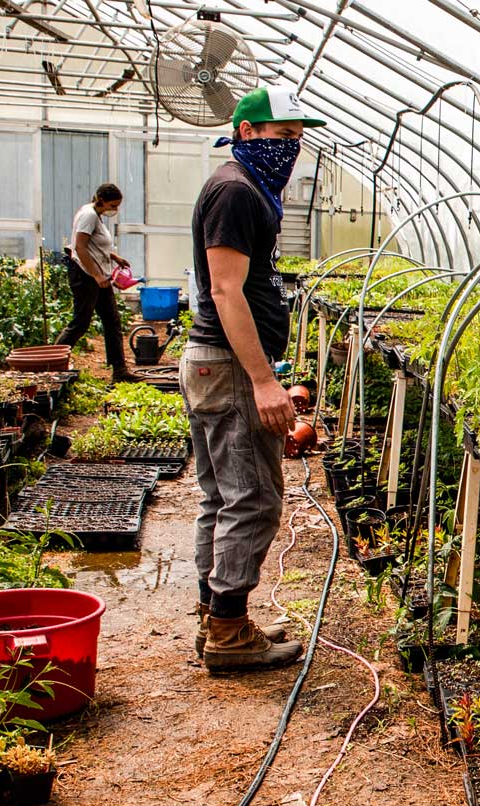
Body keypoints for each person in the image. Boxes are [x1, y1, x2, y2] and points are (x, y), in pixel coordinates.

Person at [184, 86, 325, 671]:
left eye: (296, 138)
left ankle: (218, 616)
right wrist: (264, 381)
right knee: (255, 499)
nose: (291, 147)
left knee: (223, 497)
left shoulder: (244, 186)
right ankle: (228, 632)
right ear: (247, 132)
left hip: (218, 362)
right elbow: (225, 290)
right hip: (231, 365)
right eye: (281, 135)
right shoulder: (236, 191)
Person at [57, 183, 134, 380]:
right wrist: (97, 276)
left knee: (112, 321)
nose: (114, 210)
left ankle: (119, 370)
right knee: (80, 322)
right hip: (86, 276)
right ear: (101, 200)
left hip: (98, 275)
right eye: (112, 205)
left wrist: (114, 257)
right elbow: (80, 247)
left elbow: (95, 245)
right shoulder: (89, 215)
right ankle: (53, 364)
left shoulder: (95, 215)